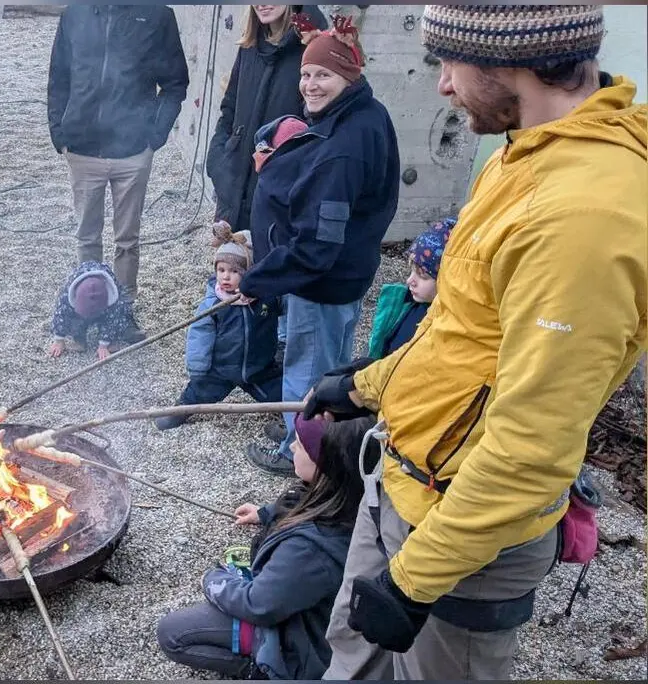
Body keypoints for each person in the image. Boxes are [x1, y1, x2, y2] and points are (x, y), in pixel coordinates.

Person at [304, 6, 646, 680]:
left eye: (448, 64)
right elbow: (460, 334)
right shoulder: (518, 156)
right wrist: (366, 383)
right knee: (351, 657)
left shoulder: (584, 218)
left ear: (508, 61)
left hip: (466, 536)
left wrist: (412, 582)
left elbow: (530, 450)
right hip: (404, 482)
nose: (442, 87)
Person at [235, 14, 400, 475]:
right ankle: (312, 429)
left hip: (322, 282)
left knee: (309, 367)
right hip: (347, 271)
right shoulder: (364, 113)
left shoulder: (344, 147)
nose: (310, 85)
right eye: (306, 74)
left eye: (323, 75)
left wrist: (259, 280)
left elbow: (316, 247)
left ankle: (298, 449)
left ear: (349, 76)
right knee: (330, 366)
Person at [157, 416, 380, 679]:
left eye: (300, 444)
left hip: (302, 640)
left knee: (172, 633)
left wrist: (212, 579)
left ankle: (267, 669)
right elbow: (301, 500)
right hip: (308, 609)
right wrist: (266, 513)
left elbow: (257, 605)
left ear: (326, 465)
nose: (292, 448)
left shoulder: (311, 550)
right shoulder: (350, 495)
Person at [47, 4, 189, 299]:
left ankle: (123, 307)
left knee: (127, 240)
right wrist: (59, 131)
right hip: (82, 148)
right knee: (87, 237)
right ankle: (89, 304)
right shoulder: (74, 14)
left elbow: (175, 83)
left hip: (133, 150)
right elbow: (59, 78)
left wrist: (155, 134)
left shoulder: (157, 15)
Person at [206, 5, 326, 232]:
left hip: (277, 195)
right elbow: (229, 107)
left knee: (266, 264)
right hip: (233, 187)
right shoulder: (250, 45)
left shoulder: (312, 49)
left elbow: (318, 128)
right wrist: (219, 162)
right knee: (231, 263)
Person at [155, 230, 282, 431]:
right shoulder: (214, 303)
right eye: (221, 270)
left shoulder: (265, 299)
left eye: (234, 271)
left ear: (249, 272)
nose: (226, 276)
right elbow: (200, 332)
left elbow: (286, 309)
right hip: (222, 368)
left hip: (259, 368)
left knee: (281, 395)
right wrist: (197, 365)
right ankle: (179, 411)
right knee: (198, 393)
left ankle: (290, 418)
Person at [366, 218, 455, 359]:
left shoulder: (447, 330)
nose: (409, 281)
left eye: (423, 276)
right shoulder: (404, 304)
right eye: (411, 271)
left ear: (447, 281)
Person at [47, 262, 144, 362]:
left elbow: (114, 317)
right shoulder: (67, 294)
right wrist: (59, 339)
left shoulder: (114, 297)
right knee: (73, 318)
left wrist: (104, 345)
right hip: (79, 291)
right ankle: (79, 337)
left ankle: (111, 340)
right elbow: (61, 314)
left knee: (118, 317)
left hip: (107, 303)